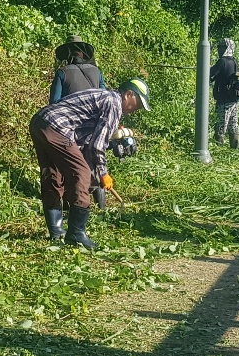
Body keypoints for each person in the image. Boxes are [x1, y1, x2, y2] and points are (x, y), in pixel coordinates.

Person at [30, 79, 150, 250]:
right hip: (58, 127)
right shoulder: (113, 103)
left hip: (40, 121)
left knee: (53, 173)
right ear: (129, 94)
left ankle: (56, 231)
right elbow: (97, 146)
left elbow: (86, 141)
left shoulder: (105, 97)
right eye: (137, 104)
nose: (135, 110)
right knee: (82, 174)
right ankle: (76, 234)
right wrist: (103, 173)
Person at [49, 35, 105, 104]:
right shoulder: (96, 71)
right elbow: (104, 98)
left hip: (70, 114)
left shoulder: (62, 72)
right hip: (94, 113)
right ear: (83, 53)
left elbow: (54, 103)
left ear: (66, 55)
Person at [211, 38, 239, 149]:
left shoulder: (222, 62)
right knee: (233, 123)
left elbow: (210, 74)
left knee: (221, 124)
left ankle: (218, 148)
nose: (219, 50)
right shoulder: (234, 61)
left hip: (224, 99)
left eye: (221, 47)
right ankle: (235, 148)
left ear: (226, 48)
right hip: (234, 99)